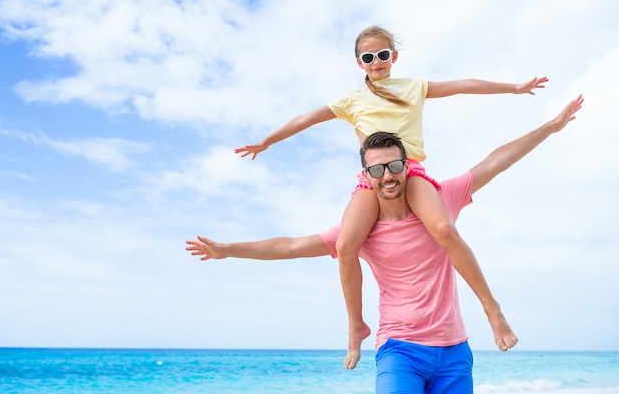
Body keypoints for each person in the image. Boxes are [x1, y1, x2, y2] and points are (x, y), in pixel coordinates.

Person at [187, 95, 584, 393]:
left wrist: (549, 128)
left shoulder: (440, 197)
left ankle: (491, 309)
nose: (388, 176)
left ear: (406, 165)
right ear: (366, 175)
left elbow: (494, 162)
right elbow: (291, 246)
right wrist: (227, 249)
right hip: (400, 349)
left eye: (394, 166)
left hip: (455, 350)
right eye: (377, 170)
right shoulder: (360, 230)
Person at [234, 25, 548, 368]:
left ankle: (491, 309)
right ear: (359, 62)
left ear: (393, 57)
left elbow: (462, 86)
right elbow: (308, 118)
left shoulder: (413, 87)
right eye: (368, 57)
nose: (377, 61)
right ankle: (356, 327)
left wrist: (513, 88)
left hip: (410, 173)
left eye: (383, 54)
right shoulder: (351, 100)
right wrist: (268, 141)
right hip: (374, 179)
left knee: (443, 229)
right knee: (344, 247)